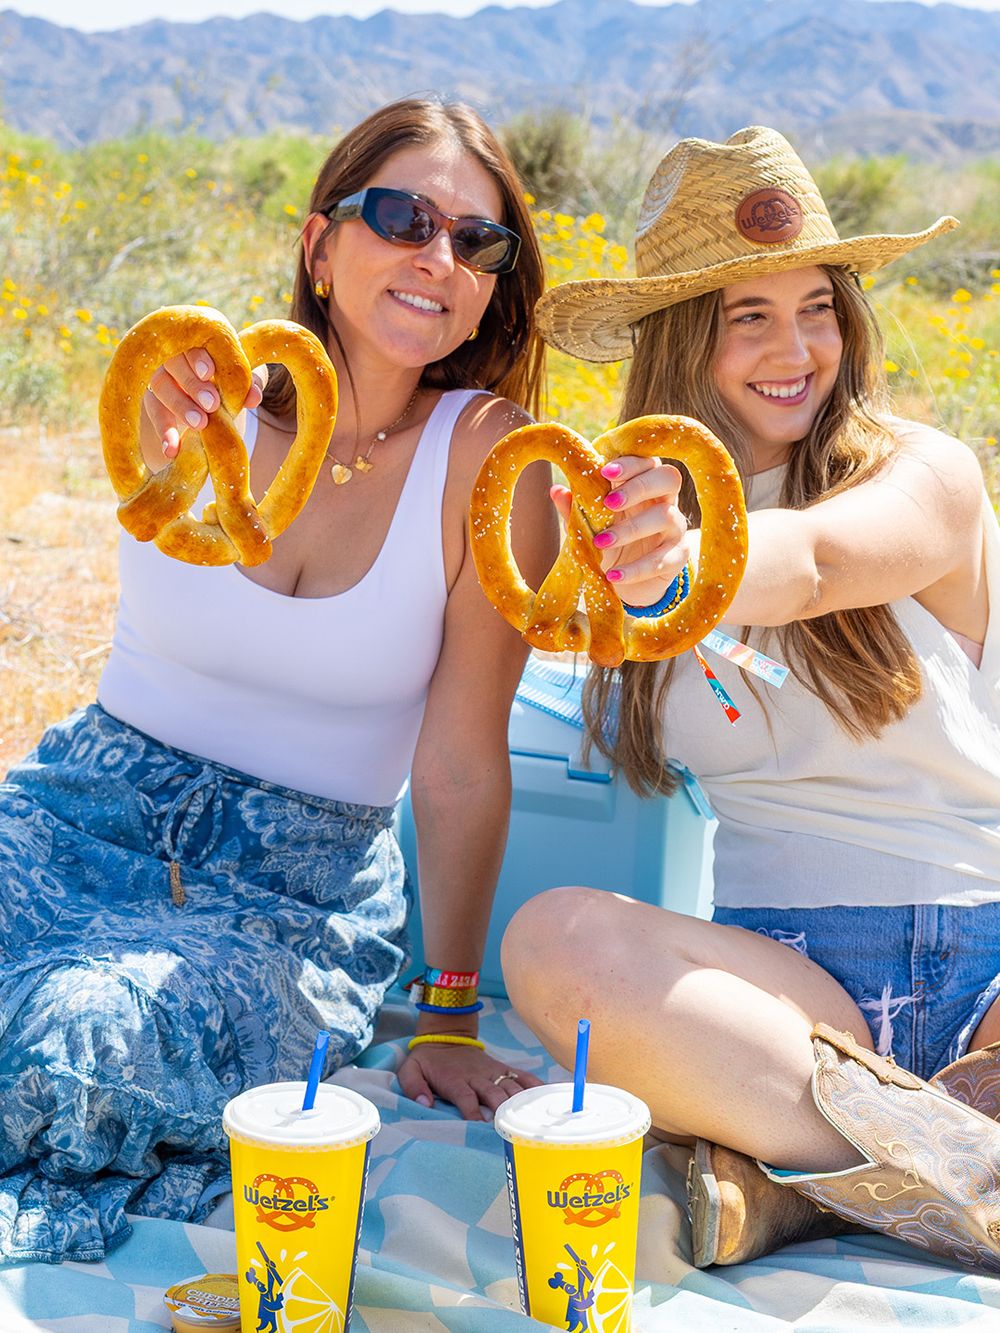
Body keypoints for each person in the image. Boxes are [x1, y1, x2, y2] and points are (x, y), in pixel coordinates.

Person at [0, 96, 668, 1265]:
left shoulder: (490, 462)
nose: (437, 255)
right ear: (320, 243)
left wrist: (447, 1010)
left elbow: (459, 760)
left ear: (492, 287)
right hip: (76, 814)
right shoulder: (195, 400)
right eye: (404, 217)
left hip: (289, 894)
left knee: (82, 1036)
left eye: (477, 240)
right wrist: (159, 424)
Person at [502, 125, 1000, 1274]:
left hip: (989, 971)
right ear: (685, 338)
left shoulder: (925, 475)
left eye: (818, 306)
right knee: (553, 941)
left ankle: (801, 1180)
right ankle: (932, 1163)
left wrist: (684, 567)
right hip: (783, 1002)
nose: (797, 347)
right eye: (749, 316)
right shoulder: (622, 520)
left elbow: (815, 564)